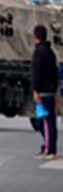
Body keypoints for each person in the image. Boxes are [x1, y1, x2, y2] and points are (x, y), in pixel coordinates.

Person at [31, 24, 59, 160]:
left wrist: (35, 90)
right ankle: (51, 148)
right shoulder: (51, 53)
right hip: (50, 92)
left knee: (44, 123)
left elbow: (36, 73)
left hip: (42, 91)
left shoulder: (38, 53)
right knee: (51, 122)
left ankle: (48, 150)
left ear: (36, 37)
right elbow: (55, 74)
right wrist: (54, 92)